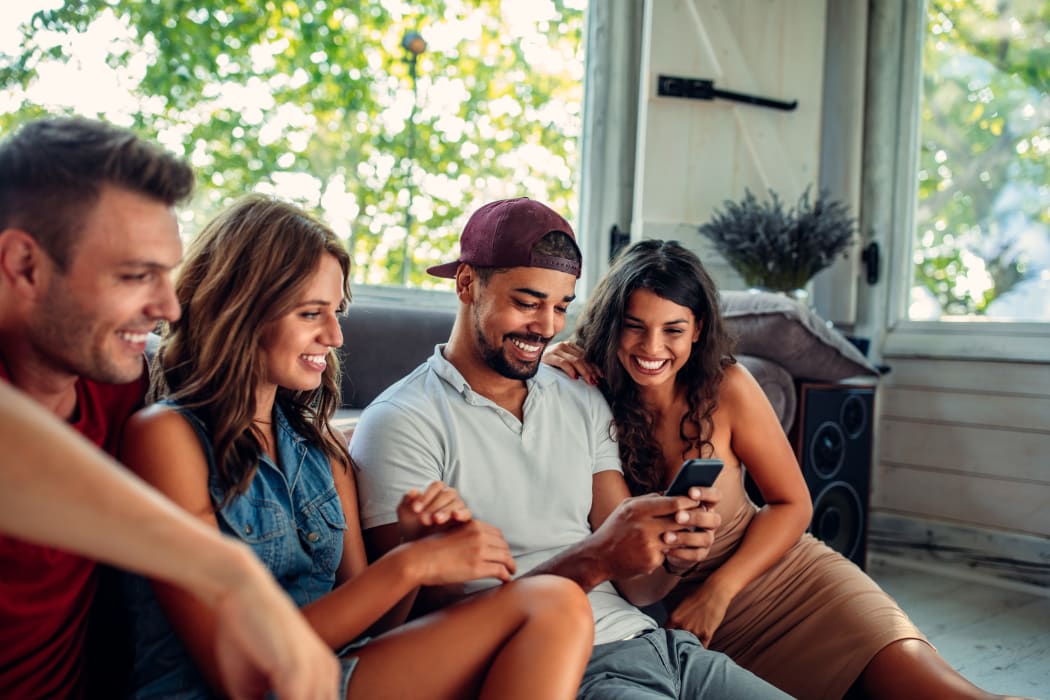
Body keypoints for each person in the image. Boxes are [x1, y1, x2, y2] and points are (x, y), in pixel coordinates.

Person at [120, 195, 594, 699]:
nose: (335, 335)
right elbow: (237, 668)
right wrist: (409, 566)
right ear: (241, 310)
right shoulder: (167, 438)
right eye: (311, 313)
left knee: (556, 603)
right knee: (553, 603)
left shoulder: (321, 451)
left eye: (336, 311)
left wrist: (419, 547)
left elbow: (377, 628)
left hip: (329, 677)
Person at [543, 239, 1025, 700]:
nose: (652, 346)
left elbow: (792, 504)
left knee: (948, 695)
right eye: (634, 325)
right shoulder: (590, 394)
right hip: (696, 622)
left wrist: (718, 591)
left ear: (698, 328)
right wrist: (550, 359)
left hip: (791, 580)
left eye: (673, 329)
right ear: (611, 323)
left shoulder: (727, 386)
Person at [350, 197, 790, 699]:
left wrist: (673, 557)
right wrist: (597, 557)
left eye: (561, 306)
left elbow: (639, 589)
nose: (547, 326)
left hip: (656, 645)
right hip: (559, 670)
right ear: (467, 283)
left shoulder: (579, 396)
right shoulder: (400, 422)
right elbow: (415, 633)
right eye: (527, 302)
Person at [0, 115, 195, 697]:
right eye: (137, 275)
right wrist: (224, 573)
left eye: (167, 275)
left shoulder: (118, 383)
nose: (168, 307)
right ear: (24, 266)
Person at [0, 380, 340, 700]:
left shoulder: (120, 378)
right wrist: (229, 570)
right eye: (310, 313)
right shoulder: (159, 423)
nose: (165, 314)